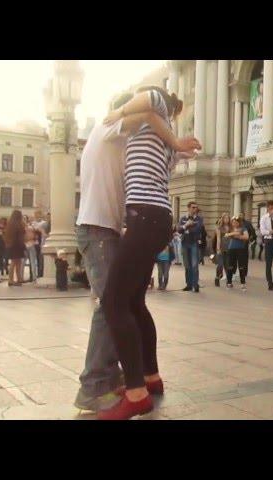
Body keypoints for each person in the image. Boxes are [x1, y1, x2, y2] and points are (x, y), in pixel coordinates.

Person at [74, 89, 199, 413]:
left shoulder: (131, 124)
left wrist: (123, 112)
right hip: (122, 224)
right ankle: (148, 376)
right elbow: (148, 117)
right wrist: (176, 143)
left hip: (130, 221)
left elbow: (146, 108)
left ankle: (107, 387)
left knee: (114, 305)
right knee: (131, 303)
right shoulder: (116, 131)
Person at [178, 201, 204, 293]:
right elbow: (179, 230)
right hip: (185, 243)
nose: (195, 209)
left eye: (196, 207)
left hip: (194, 243)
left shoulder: (199, 219)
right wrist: (186, 225)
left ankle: (195, 285)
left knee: (194, 265)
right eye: (193, 207)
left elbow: (198, 229)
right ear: (188, 208)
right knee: (187, 265)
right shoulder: (183, 218)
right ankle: (188, 285)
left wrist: (187, 227)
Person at [225, 215, 249, 290]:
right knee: (230, 266)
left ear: (239, 222)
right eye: (233, 222)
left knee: (241, 266)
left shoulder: (243, 228)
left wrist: (236, 235)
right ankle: (229, 282)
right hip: (231, 249)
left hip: (240, 249)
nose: (234, 223)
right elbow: (226, 235)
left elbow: (246, 237)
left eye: (235, 222)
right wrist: (234, 234)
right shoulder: (230, 229)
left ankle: (243, 283)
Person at [3, 210, 25, 287]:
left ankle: (16, 279)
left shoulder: (10, 224)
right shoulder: (18, 224)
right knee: (16, 263)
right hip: (18, 245)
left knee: (15, 262)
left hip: (11, 245)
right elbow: (21, 236)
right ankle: (13, 279)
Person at [213, 213, 232, 287]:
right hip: (221, 248)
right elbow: (218, 239)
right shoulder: (219, 228)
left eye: (228, 218)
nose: (226, 220)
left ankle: (228, 281)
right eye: (225, 218)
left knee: (228, 266)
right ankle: (217, 278)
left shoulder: (231, 228)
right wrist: (218, 249)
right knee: (220, 265)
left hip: (229, 248)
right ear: (222, 219)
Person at [24, 217, 39, 283]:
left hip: (26, 244)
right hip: (31, 244)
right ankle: (34, 278)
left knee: (23, 262)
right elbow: (35, 236)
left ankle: (21, 278)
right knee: (32, 262)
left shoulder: (24, 227)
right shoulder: (32, 227)